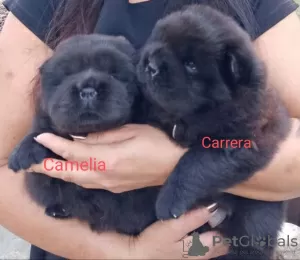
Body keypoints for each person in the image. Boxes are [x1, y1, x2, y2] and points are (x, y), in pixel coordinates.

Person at [0, 0, 300, 259]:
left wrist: (173, 164)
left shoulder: (253, 6)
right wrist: (123, 253)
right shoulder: (46, 4)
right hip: (79, 245)